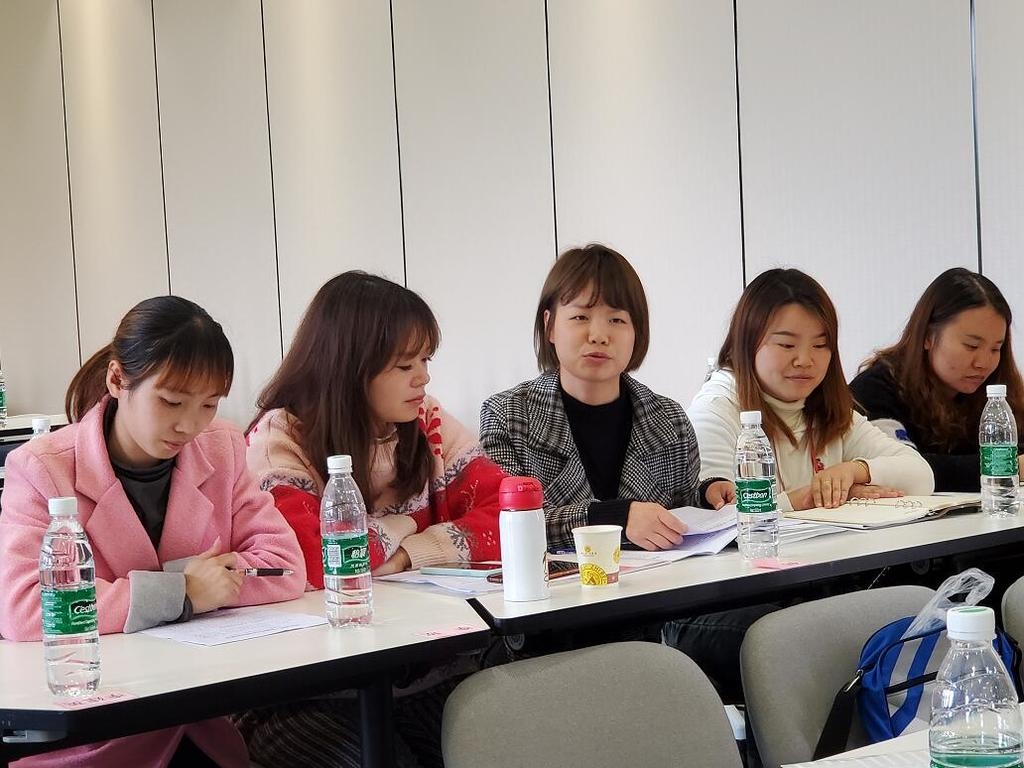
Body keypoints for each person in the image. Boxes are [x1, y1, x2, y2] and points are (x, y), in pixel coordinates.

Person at [0, 296, 306, 768]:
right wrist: (180, 591)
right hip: (95, 734)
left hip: (199, 719)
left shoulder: (220, 447)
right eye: (171, 401)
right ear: (117, 379)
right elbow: (26, 609)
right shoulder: (43, 468)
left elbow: (283, 566)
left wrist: (186, 588)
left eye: (209, 404)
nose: (189, 425)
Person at [242, 271, 504, 768]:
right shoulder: (281, 438)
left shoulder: (425, 421)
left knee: (505, 744)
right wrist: (406, 526)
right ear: (349, 367)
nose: (423, 378)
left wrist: (408, 551)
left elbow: (508, 512)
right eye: (405, 365)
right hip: (308, 690)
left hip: (422, 668)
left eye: (425, 360)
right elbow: (318, 561)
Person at [480, 243, 711, 556]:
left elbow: (685, 516)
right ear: (550, 326)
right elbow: (502, 525)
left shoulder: (670, 420)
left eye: (617, 320)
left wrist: (708, 495)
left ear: (637, 331)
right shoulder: (508, 416)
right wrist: (613, 518)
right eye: (580, 317)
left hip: (658, 585)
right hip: (556, 586)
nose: (599, 335)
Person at [689, 268, 934, 511]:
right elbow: (720, 515)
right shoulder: (716, 409)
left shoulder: (824, 408)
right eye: (787, 345)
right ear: (747, 343)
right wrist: (814, 498)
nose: (805, 360)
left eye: (820, 345)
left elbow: (921, 476)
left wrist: (853, 471)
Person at [851, 267, 1024, 492]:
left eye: (995, 349)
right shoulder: (876, 390)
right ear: (927, 337)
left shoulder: (996, 391)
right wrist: (1007, 467)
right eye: (971, 346)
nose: (983, 362)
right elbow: (903, 470)